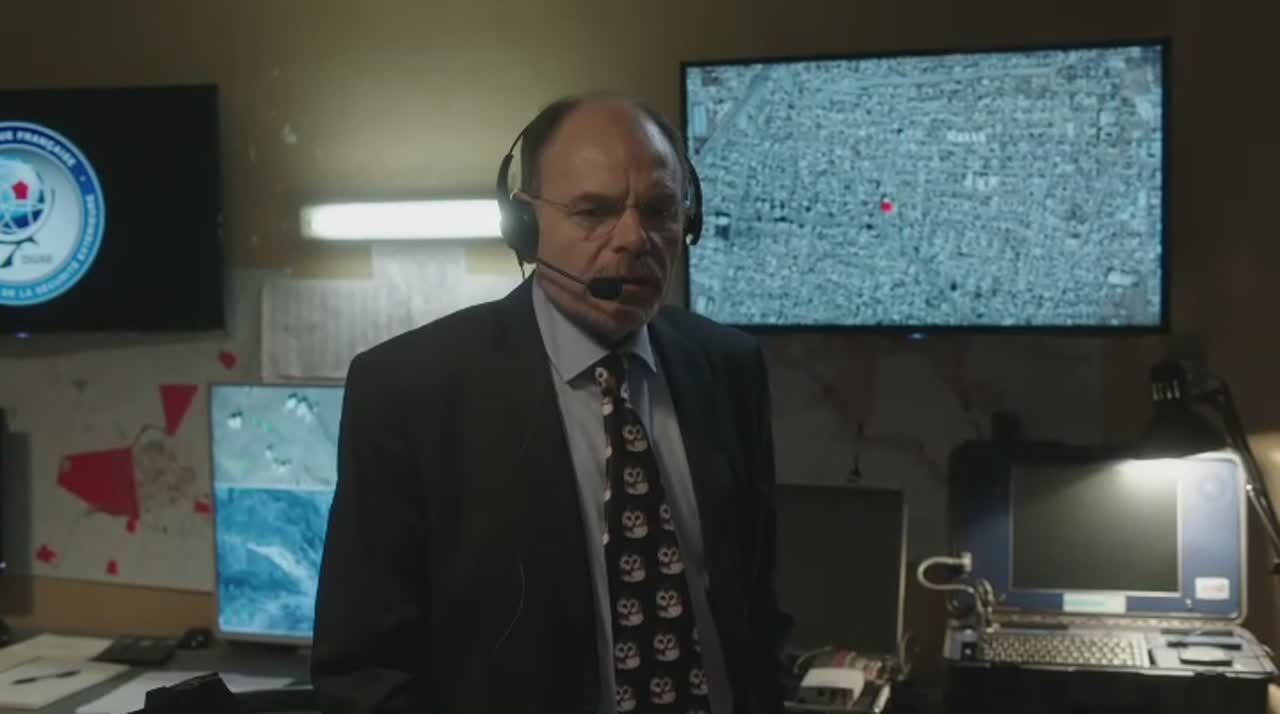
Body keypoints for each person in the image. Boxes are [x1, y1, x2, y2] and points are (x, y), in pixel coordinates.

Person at [310, 92, 791, 713]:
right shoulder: (410, 390)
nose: (635, 239)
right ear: (524, 225)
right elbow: (363, 672)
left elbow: (756, 612)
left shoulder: (728, 367)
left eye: (659, 210)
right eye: (594, 212)